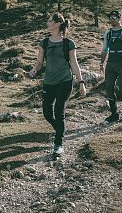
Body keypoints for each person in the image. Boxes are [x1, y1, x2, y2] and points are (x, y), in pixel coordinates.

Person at [29, 12, 86, 155]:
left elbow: (74, 64)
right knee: (47, 113)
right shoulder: (45, 43)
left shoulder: (68, 43)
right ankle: (60, 130)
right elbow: (40, 62)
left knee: (58, 112)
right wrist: (35, 69)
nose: (47, 23)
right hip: (49, 82)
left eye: (50, 21)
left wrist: (81, 82)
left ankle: (58, 143)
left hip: (65, 82)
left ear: (58, 23)